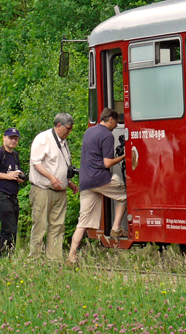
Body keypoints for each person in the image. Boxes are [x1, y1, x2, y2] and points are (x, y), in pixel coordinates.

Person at [67, 108, 128, 263]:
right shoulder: (107, 135)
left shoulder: (89, 131)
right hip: (100, 178)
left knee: (82, 222)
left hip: (85, 180)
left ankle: (71, 256)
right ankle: (115, 228)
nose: (116, 125)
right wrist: (124, 156)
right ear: (111, 120)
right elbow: (107, 163)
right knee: (124, 195)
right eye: (116, 122)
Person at [29, 113, 78, 262]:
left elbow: (61, 164)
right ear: (58, 126)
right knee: (40, 224)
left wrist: (68, 182)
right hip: (43, 189)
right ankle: (35, 258)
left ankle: (54, 259)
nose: (69, 132)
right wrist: (51, 177)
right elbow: (36, 162)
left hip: (60, 191)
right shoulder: (43, 139)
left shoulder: (63, 142)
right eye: (68, 129)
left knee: (58, 225)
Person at [0, 128, 26, 256]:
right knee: (8, 228)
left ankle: (9, 255)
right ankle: (3, 256)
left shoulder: (15, 155)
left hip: (13, 196)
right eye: (10, 138)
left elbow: (15, 172)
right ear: (4, 138)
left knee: (12, 229)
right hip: (1, 194)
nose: (13, 141)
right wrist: (7, 176)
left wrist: (19, 177)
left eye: (15, 139)